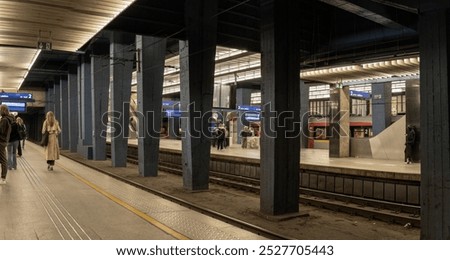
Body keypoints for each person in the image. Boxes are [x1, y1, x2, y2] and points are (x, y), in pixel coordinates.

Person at [0, 105, 12, 184]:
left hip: (1, 142)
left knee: (3, 160)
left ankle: (3, 178)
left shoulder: (4, 120)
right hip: (3, 141)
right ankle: (3, 177)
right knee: (3, 159)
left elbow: (1, 131)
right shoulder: (7, 119)